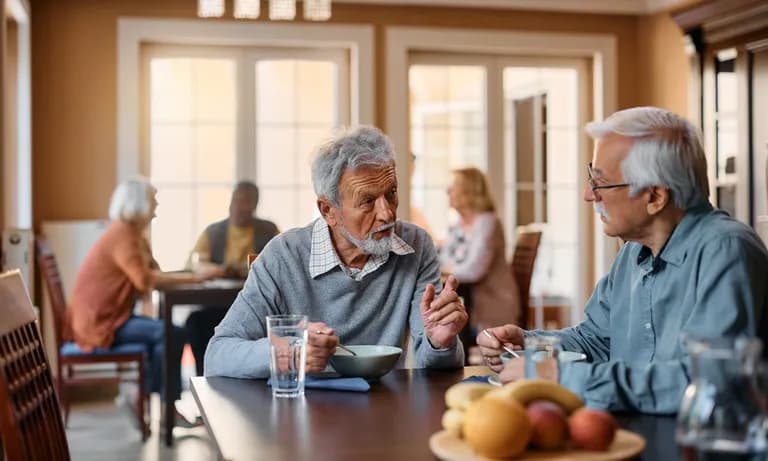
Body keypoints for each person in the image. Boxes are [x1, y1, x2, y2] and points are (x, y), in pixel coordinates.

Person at [477, 106, 768, 414]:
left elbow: (702, 383)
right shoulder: (634, 251)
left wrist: (558, 376)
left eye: (600, 182)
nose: (589, 195)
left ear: (655, 196)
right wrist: (529, 345)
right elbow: (599, 341)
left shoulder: (727, 251)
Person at [204, 126, 468, 378]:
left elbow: (433, 366)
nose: (387, 213)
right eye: (367, 201)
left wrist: (439, 343)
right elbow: (217, 355)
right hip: (300, 412)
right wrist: (289, 352)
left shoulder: (416, 246)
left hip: (384, 409)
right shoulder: (283, 256)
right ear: (328, 211)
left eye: (392, 193)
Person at [67, 177, 218, 424]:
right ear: (138, 204)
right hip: (101, 324)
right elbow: (145, 280)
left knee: (165, 337)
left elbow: (154, 272)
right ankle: (162, 405)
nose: (156, 208)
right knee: (173, 334)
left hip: (111, 317)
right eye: (152, 201)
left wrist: (190, 275)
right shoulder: (123, 235)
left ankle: (156, 403)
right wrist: (194, 277)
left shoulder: (132, 234)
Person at [184, 181, 279, 375]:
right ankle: (205, 376)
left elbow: (281, 262)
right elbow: (195, 263)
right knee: (195, 322)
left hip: (256, 304)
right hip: (217, 305)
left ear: (254, 205)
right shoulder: (213, 232)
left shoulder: (269, 231)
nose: (239, 206)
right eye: (236, 200)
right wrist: (219, 269)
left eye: (245, 201)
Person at [440, 167, 520, 353]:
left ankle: (455, 365)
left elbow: (474, 271)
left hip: (492, 304)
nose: (448, 191)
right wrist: (449, 267)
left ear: (470, 191)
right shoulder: (458, 225)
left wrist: (448, 269)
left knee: (449, 316)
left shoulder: (487, 223)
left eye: (454, 186)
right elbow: (444, 260)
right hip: (468, 301)